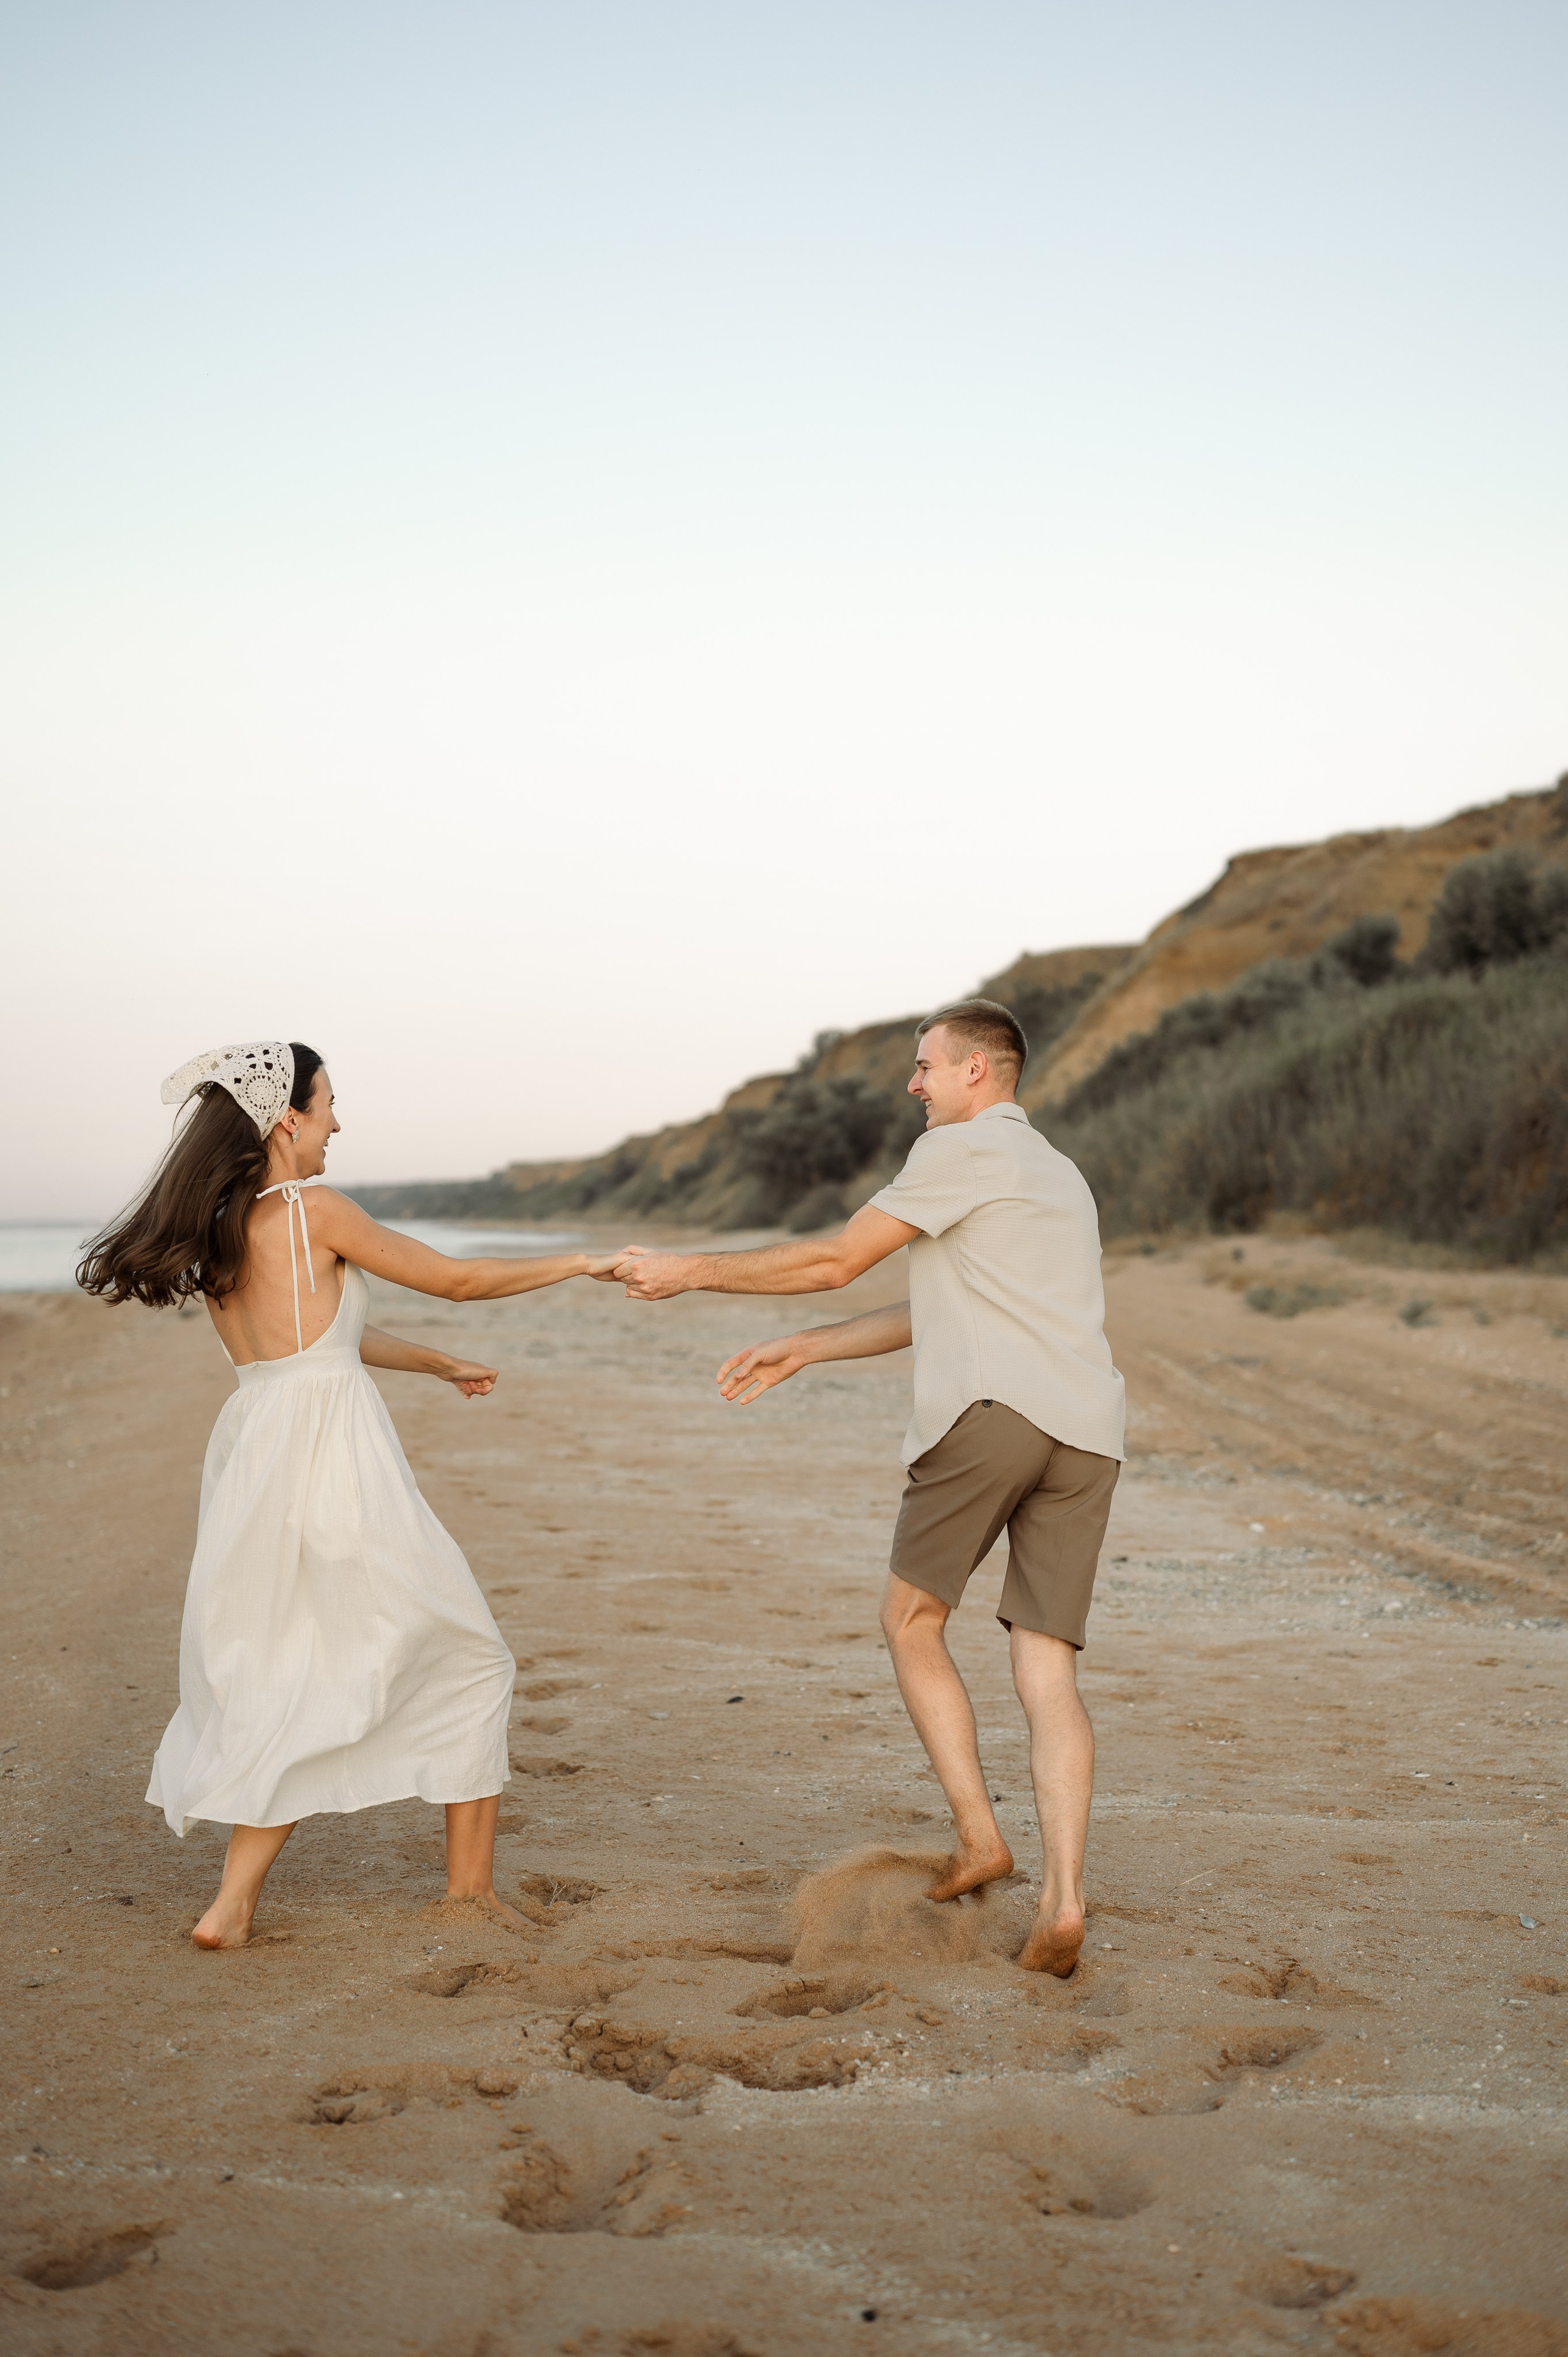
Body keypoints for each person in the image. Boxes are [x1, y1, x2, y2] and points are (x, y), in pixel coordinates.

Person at [610, 1000, 1125, 1976]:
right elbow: (942, 1300)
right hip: (1087, 1433)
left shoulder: (959, 1152)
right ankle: (1062, 1900)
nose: (913, 1084)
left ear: (979, 1072)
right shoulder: (1057, 1174)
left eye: (926, 1065)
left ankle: (980, 1836)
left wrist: (689, 1271)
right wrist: (811, 1348)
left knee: (910, 1620)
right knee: (1048, 1671)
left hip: (991, 1417)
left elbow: (834, 1259)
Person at [78, 1040, 612, 1950]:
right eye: (327, 1104)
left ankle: (231, 1908)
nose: (337, 1122)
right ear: (286, 1119)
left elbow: (317, 1337)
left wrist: (434, 1364)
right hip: (334, 1460)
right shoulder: (313, 1209)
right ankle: (470, 1896)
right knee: (473, 1656)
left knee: (296, 1665)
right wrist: (583, 1262)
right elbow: (460, 1280)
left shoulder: (224, 1226)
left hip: (258, 1455)